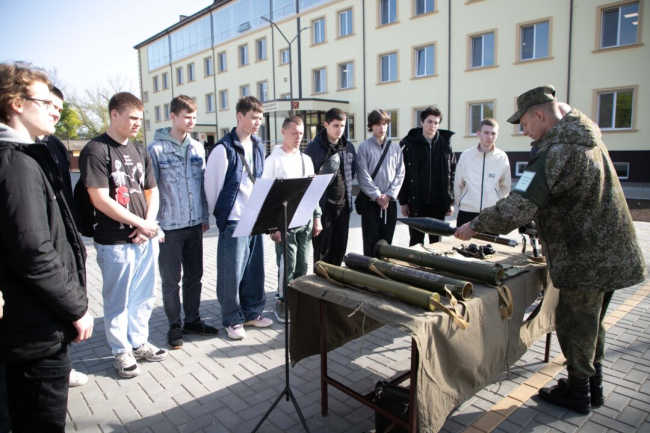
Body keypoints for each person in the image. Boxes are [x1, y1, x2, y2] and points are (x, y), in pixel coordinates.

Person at [455, 85, 647, 414]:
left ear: (540, 115)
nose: (524, 131)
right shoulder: (586, 138)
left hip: (586, 258)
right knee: (592, 322)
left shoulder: (555, 151)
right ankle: (594, 386)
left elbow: (518, 206)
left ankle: (578, 390)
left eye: (525, 124)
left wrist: (475, 224)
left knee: (574, 323)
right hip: (611, 252)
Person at [0, 62, 93, 431]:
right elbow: (33, 251)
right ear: (16, 103)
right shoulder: (16, 163)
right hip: (36, 331)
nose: (55, 110)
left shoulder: (25, 156)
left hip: (33, 324)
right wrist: (77, 307)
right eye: (45, 101)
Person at [79, 92, 167, 379]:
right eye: (132, 118)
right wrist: (141, 224)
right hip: (115, 241)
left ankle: (139, 342)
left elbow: (152, 191)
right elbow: (100, 199)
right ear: (114, 114)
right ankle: (120, 350)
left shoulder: (140, 149)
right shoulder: (96, 150)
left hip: (145, 237)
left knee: (144, 295)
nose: (137, 123)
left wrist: (148, 225)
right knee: (118, 299)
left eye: (140, 119)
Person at [147, 95, 217, 349]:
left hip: (194, 224)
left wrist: (204, 216)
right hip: (168, 226)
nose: (191, 121)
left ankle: (193, 320)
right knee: (170, 280)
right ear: (173, 116)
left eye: (194, 117)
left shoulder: (197, 148)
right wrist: (155, 225)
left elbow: (202, 185)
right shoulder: (155, 150)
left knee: (195, 276)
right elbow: (150, 190)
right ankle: (174, 326)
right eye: (186, 116)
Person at [205, 96, 272, 340]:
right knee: (231, 272)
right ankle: (232, 318)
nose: (257, 122)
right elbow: (212, 188)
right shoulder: (223, 149)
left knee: (254, 271)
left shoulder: (258, 145)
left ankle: (252, 312)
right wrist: (223, 216)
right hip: (234, 218)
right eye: (253, 117)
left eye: (260, 118)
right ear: (239, 116)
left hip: (254, 217)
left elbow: (261, 179)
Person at [262, 115, 319, 323]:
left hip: (305, 221)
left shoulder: (306, 160)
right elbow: (267, 196)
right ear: (283, 132)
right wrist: (272, 227)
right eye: (294, 133)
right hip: (284, 223)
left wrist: (317, 217)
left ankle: (299, 298)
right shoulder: (272, 161)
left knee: (302, 263)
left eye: (301, 133)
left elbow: (313, 190)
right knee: (287, 264)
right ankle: (283, 300)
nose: (298, 137)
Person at [304, 108, 355, 266]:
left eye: (343, 125)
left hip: (343, 208)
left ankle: (335, 281)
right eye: (336, 125)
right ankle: (320, 282)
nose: (340, 130)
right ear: (326, 125)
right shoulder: (313, 148)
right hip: (323, 209)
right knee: (322, 256)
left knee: (338, 253)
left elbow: (351, 173)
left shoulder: (349, 147)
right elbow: (306, 179)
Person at [398, 106, 456, 245]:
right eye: (429, 121)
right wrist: (403, 201)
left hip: (438, 203)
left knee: (437, 243)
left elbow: (451, 173)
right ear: (422, 122)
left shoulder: (445, 144)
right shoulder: (409, 144)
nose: (432, 125)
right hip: (416, 202)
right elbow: (402, 174)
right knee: (416, 242)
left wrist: (450, 201)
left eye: (436, 122)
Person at [356, 109, 405, 257]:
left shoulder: (395, 148)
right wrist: (377, 196)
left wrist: (389, 195)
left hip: (389, 203)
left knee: (387, 242)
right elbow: (362, 174)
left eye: (384, 124)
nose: (382, 127)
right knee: (370, 243)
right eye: (377, 124)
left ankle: (384, 268)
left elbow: (400, 173)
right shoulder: (364, 147)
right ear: (371, 126)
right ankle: (369, 269)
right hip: (371, 203)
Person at [453, 118, 511, 227]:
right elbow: (458, 184)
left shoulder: (502, 157)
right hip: (467, 212)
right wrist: (462, 203)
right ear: (478, 134)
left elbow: (505, 186)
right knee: (462, 239)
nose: (490, 137)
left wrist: (498, 206)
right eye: (486, 133)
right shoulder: (466, 155)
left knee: (490, 239)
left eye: (493, 133)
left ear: (497, 135)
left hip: (492, 213)